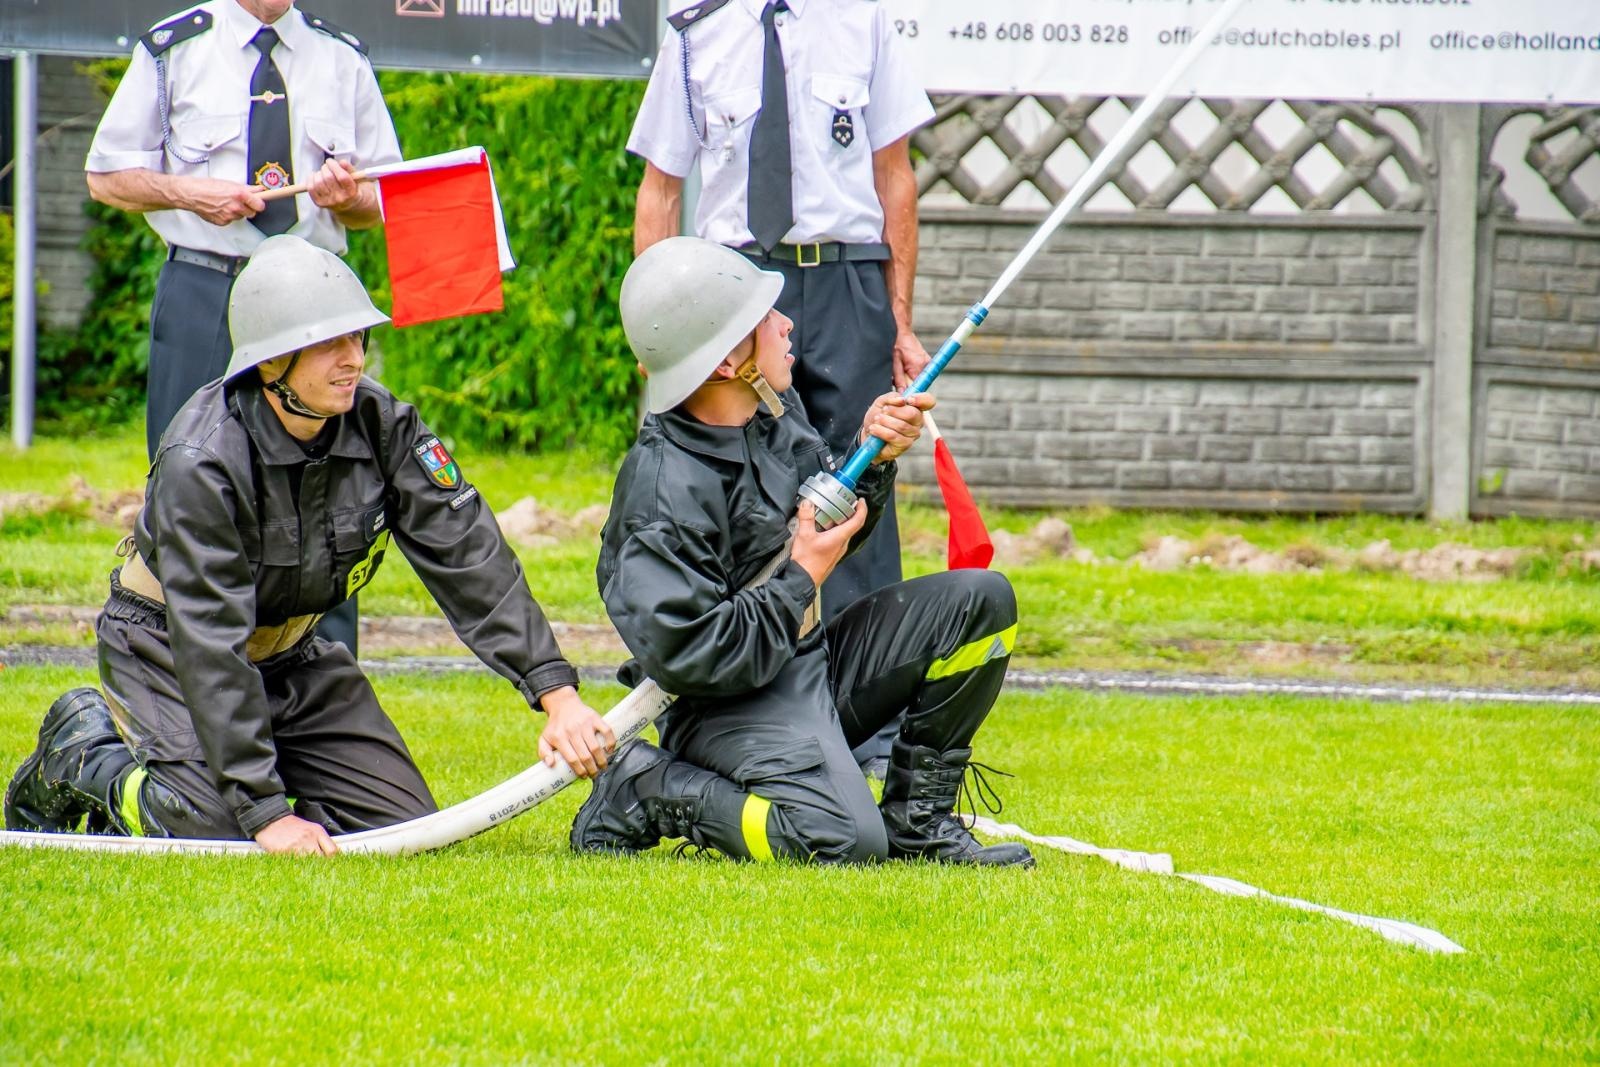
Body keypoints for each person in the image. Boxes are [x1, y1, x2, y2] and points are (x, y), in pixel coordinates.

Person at [3, 236, 614, 855]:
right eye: (328, 343)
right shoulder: (201, 461)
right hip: (166, 647)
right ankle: (84, 753)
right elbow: (210, 639)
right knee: (212, 826)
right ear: (271, 364)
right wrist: (265, 810)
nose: (353, 359)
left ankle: (249, 773)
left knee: (401, 830)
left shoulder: (382, 423)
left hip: (291, 653)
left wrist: (556, 694)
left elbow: (467, 552)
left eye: (358, 337)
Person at [568, 237, 1031, 868]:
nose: (787, 325)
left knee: (980, 602)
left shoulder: (772, 413)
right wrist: (802, 575)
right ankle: (646, 789)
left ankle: (917, 823)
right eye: (766, 318)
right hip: (723, 706)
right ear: (727, 361)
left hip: (807, 661)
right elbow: (692, 658)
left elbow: (829, 526)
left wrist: (873, 455)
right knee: (839, 839)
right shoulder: (660, 491)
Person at [86, 0, 399, 650]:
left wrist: (350, 198)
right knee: (187, 479)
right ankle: (180, 668)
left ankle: (326, 672)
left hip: (315, 299)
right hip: (206, 288)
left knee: (328, 486)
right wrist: (189, 193)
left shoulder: (341, 57)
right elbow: (106, 177)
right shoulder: (174, 49)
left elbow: (383, 196)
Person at [627, 0, 935, 635]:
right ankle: (741, 649)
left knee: (861, 466)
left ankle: (865, 671)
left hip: (848, 280)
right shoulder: (694, 32)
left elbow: (894, 175)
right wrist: (664, 332)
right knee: (743, 472)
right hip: (735, 290)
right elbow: (661, 188)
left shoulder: (863, 19)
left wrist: (900, 323)